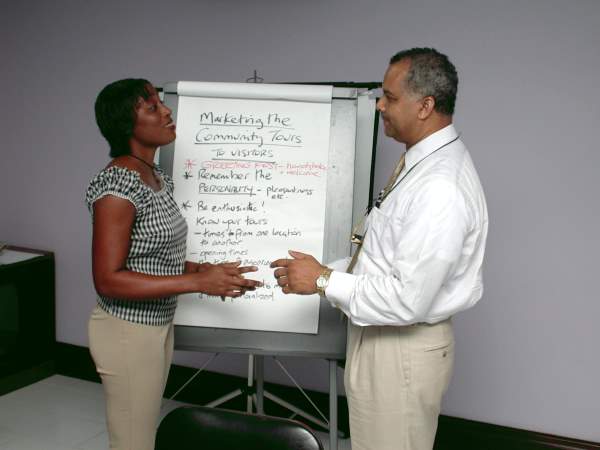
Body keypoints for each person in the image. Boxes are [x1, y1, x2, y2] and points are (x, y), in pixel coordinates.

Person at [271, 48, 488, 450]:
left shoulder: (440, 187)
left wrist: (322, 279)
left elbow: (407, 300)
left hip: (400, 347)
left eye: (389, 97)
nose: (379, 107)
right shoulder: (420, 162)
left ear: (425, 106)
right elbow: (385, 258)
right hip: (383, 339)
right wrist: (322, 270)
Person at [85, 78, 262, 450]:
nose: (167, 112)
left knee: (143, 436)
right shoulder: (117, 187)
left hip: (155, 328)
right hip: (126, 332)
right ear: (126, 125)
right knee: (134, 442)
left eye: (161, 104)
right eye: (152, 108)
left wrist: (205, 271)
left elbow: (151, 257)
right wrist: (198, 283)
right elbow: (108, 279)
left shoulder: (155, 177)